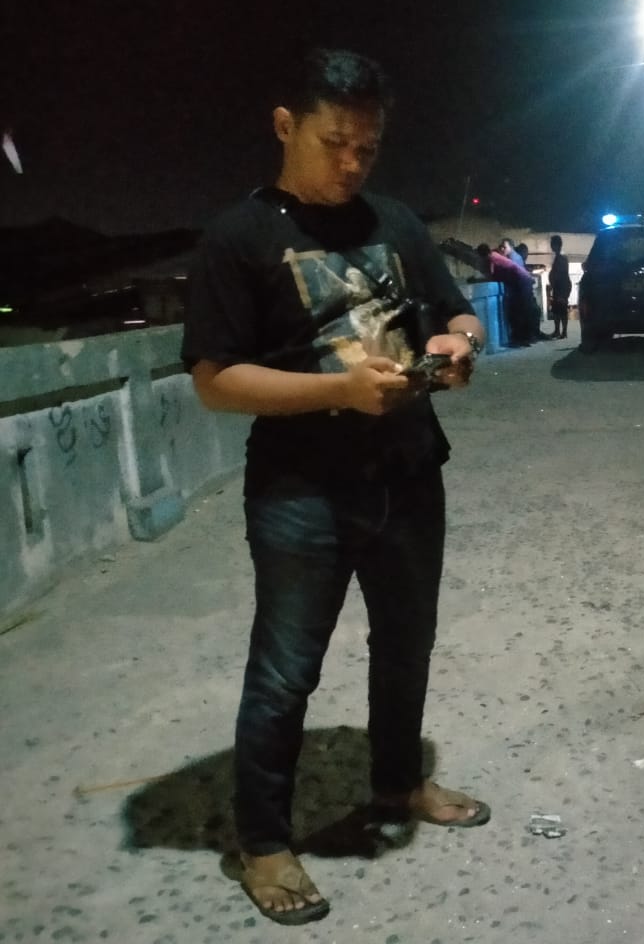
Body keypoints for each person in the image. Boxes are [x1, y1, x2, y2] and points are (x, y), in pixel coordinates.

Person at [181, 48, 489, 924]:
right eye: (334, 143)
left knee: (406, 645)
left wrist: (458, 344)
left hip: (409, 473)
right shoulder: (238, 237)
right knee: (286, 673)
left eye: (368, 146)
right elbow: (214, 381)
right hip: (300, 491)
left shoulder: (395, 222)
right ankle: (263, 843)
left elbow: (456, 308)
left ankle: (398, 784)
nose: (353, 163)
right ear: (286, 126)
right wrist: (338, 392)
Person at [492, 238, 535, 346]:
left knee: (518, 314)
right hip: (523, 288)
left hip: (520, 289)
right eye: (501, 247)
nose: (502, 249)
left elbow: (509, 275)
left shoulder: (512, 258)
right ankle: (526, 339)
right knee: (524, 313)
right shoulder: (515, 256)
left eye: (504, 247)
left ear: (511, 247)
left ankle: (520, 339)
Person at [548, 234, 571, 339]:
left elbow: (560, 273)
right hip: (559, 286)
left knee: (561, 310)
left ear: (557, 245)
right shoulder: (559, 256)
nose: (551, 246)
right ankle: (558, 331)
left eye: (552, 244)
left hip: (562, 287)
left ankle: (563, 332)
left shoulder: (561, 257)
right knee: (557, 310)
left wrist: (554, 281)